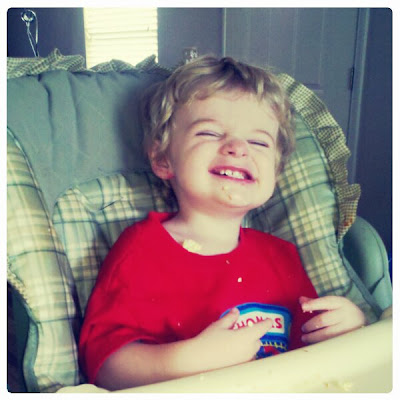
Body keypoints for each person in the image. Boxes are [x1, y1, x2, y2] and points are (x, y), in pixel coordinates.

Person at [78, 56, 366, 390]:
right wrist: (188, 360)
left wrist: (347, 329)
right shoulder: (141, 249)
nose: (238, 148)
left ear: (276, 172)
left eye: (258, 142)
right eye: (211, 132)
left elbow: (310, 347)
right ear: (162, 158)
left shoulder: (282, 255)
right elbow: (105, 367)